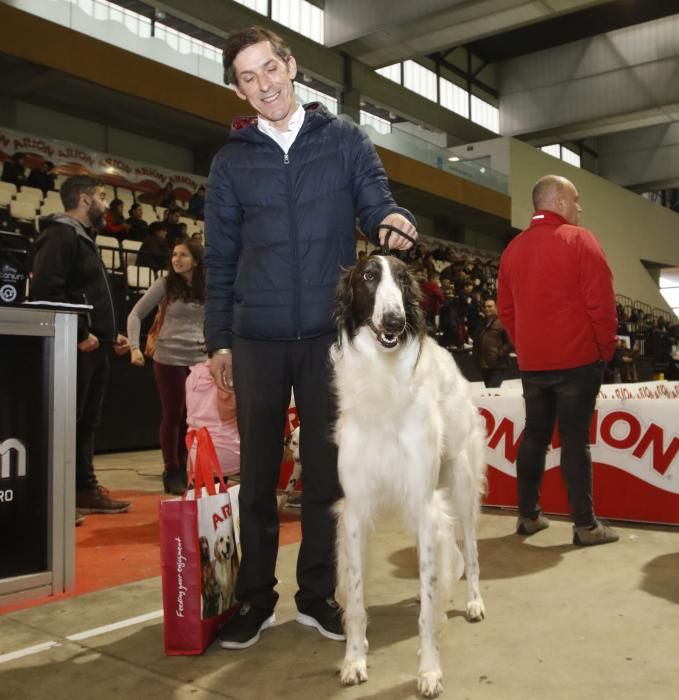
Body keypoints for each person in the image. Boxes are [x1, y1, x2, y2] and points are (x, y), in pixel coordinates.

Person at [204, 26, 418, 649]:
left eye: (270, 68)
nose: (264, 84)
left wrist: (392, 220)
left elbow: (376, 202)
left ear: (291, 66)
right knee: (259, 476)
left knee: (327, 473)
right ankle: (254, 598)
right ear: (239, 91)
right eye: (248, 77)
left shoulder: (345, 139)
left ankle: (318, 594)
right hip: (257, 337)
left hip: (332, 336)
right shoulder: (230, 162)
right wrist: (219, 340)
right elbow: (220, 258)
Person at [497, 174, 619, 547]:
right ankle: (585, 525)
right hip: (578, 359)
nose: (580, 207)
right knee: (573, 438)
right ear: (561, 203)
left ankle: (528, 515)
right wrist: (605, 349)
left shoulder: (512, 249)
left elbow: (506, 309)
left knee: (534, 435)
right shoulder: (581, 241)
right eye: (576, 200)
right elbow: (601, 303)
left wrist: (527, 344)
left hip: (534, 364)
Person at [30, 175, 131, 517]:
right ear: (85, 200)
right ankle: (53, 497)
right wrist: (79, 333)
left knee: (87, 422)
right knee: (66, 423)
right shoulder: (60, 235)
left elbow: (84, 294)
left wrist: (108, 332)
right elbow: (46, 290)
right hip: (72, 347)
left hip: (93, 344)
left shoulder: (83, 238)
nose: (107, 204)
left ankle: (82, 490)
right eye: (102, 197)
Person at [127, 239, 207, 495]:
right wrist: (134, 347)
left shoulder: (207, 286)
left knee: (192, 417)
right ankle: (172, 469)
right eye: (174, 254)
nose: (176, 259)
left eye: (183, 255)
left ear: (196, 260)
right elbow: (135, 314)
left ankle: (187, 467)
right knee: (173, 413)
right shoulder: (164, 285)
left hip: (199, 359)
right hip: (168, 356)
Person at [473, 298, 512, 387]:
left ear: (496, 307)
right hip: (484, 364)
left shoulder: (503, 322)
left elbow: (511, 341)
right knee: (489, 392)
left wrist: (500, 353)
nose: (487, 309)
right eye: (485, 307)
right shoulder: (482, 323)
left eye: (490, 306)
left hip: (498, 364)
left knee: (492, 389)